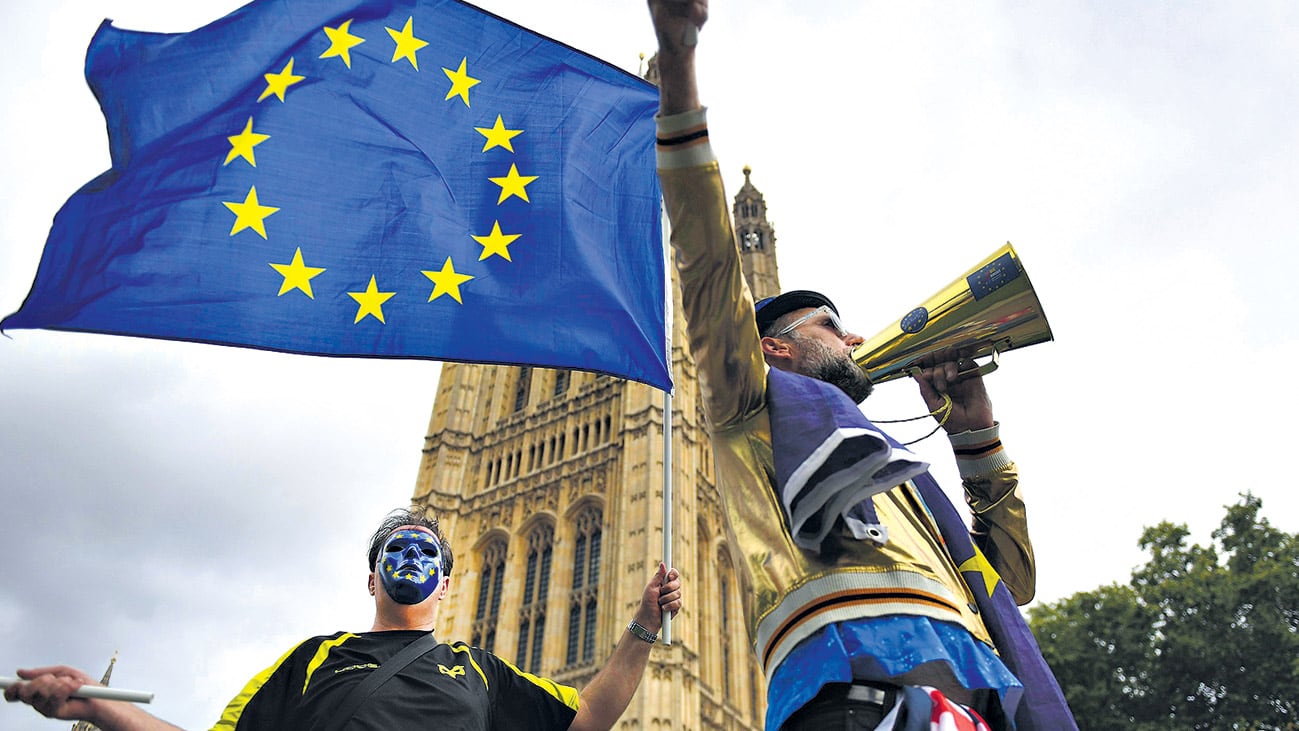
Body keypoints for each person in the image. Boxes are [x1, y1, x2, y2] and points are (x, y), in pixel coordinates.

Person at [646, 1, 1075, 729]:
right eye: (830, 327)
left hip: (969, 706)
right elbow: (708, 259)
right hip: (852, 696)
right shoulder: (748, 410)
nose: (853, 338)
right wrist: (680, 63)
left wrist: (975, 435)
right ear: (774, 348)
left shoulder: (880, 469)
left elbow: (1010, 584)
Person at [5, 508, 684, 730]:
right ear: (371, 577)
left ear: (447, 584)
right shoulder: (313, 658)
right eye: (397, 548)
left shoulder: (481, 673)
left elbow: (589, 715)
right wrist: (96, 705)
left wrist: (644, 625)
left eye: (427, 550)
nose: (411, 556)